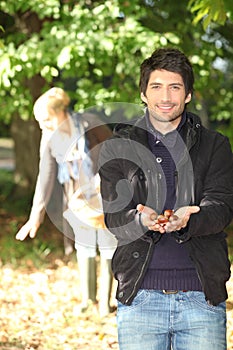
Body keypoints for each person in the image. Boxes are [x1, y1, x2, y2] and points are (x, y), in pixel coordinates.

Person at [99, 48, 233, 349]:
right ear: (143, 93)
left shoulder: (215, 146)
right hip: (140, 296)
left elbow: (222, 208)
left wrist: (190, 219)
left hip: (202, 297)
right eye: (156, 86)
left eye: (175, 87)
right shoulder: (117, 146)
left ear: (187, 95)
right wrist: (139, 220)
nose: (166, 97)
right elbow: (114, 217)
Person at [15, 87, 117, 317]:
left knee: (109, 246)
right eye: (39, 121)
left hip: (107, 196)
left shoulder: (90, 123)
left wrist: (105, 178)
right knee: (85, 246)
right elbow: (46, 175)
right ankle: (88, 299)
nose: (42, 125)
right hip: (78, 200)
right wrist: (35, 217)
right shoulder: (49, 137)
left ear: (61, 112)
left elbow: (116, 152)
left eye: (46, 119)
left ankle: (105, 303)